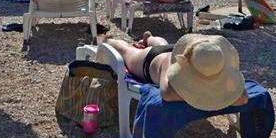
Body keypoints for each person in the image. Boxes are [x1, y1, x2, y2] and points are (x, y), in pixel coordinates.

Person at [103, 32, 247, 109]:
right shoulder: (172, 68)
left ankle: (150, 38)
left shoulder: (207, 61)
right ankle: (109, 41)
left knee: (162, 44)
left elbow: (243, 98)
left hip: (173, 51)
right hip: (152, 59)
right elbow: (167, 94)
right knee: (127, 51)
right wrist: (211, 96)